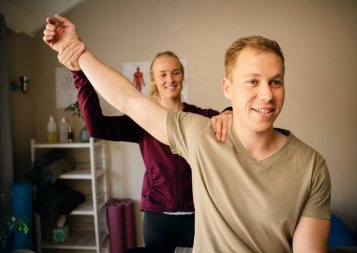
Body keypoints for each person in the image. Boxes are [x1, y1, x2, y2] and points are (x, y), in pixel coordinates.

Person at [43, 15, 331, 253]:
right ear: (227, 87)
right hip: (158, 215)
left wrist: (230, 113)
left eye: (275, 82)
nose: (266, 94)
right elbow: (126, 101)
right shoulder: (197, 132)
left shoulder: (310, 165)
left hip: (193, 215)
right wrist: (78, 56)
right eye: (253, 81)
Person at [50, 22, 232, 251]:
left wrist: (229, 112)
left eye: (176, 72)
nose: (170, 79)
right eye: (163, 74)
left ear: (183, 76)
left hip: (198, 214)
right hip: (157, 216)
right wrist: (79, 75)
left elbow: (232, 122)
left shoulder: (201, 117)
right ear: (154, 80)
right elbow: (97, 127)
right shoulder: (143, 120)